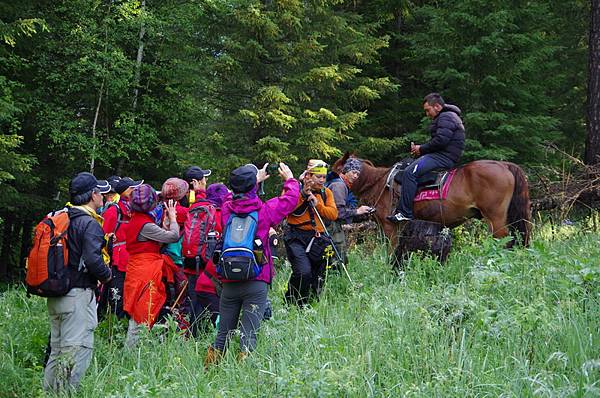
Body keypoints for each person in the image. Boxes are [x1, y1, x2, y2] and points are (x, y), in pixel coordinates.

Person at [204, 163, 299, 366]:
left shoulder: (226, 210)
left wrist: (253, 180)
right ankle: (244, 375)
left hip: (229, 279)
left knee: (222, 336)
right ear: (253, 187)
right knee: (249, 334)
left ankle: (210, 372)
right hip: (256, 279)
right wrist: (290, 179)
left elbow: (230, 196)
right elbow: (290, 200)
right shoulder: (264, 211)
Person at [43, 172, 112, 392]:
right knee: (73, 350)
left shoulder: (62, 218)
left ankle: (47, 393)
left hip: (56, 293)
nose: (102, 197)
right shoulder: (89, 223)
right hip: (77, 295)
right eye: (100, 192)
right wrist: (107, 275)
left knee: (56, 350)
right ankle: (66, 393)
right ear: (93, 194)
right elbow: (92, 259)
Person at [388, 93, 465, 222]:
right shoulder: (449, 116)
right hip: (444, 155)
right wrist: (421, 150)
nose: (427, 114)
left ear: (437, 107)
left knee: (409, 173)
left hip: (443, 157)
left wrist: (421, 149)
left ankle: (404, 212)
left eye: (428, 110)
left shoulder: (445, 117)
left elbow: (441, 140)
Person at [122, 184, 180, 347]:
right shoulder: (145, 225)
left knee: (139, 311)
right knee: (143, 311)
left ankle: (135, 350)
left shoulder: (136, 220)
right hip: (146, 272)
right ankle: (132, 353)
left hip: (137, 269)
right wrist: (173, 218)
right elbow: (174, 237)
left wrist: (165, 225)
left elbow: (153, 242)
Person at [284, 160, 338, 306]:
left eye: (323, 177)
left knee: (317, 274)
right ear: (309, 176)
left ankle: (310, 302)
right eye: (318, 177)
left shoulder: (326, 193)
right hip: (296, 236)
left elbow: (333, 214)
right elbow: (286, 209)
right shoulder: (293, 190)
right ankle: (292, 302)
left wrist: (317, 203)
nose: (322, 180)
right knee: (303, 271)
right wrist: (302, 194)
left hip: (318, 238)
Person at [99, 177, 143, 318]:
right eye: (132, 188)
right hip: (117, 261)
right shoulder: (114, 211)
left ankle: (122, 321)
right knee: (116, 294)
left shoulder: (135, 210)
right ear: (124, 192)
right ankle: (113, 322)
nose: (135, 191)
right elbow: (101, 235)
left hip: (132, 260)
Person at [193, 183, 231, 328]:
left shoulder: (201, 211)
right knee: (220, 322)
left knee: (196, 313)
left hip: (196, 266)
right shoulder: (223, 216)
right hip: (214, 279)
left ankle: (190, 338)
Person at [326, 157, 372, 265]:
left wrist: (361, 214)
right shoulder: (339, 186)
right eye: (353, 172)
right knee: (339, 259)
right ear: (346, 171)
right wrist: (357, 211)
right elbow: (338, 212)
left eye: (357, 174)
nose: (356, 176)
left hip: (329, 226)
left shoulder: (339, 183)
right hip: (330, 227)